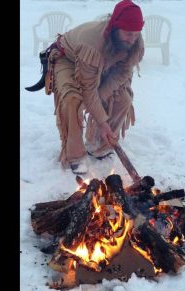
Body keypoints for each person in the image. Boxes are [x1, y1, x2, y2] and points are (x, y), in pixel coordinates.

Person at [45, 0, 145, 175]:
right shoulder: (91, 43)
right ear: (115, 27)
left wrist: (101, 117)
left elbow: (122, 74)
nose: (132, 39)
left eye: (136, 34)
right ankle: (75, 156)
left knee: (123, 98)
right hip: (69, 59)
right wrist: (101, 118)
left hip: (102, 65)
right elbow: (88, 89)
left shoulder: (135, 42)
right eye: (128, 34)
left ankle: (99, 145)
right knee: (73, 99)